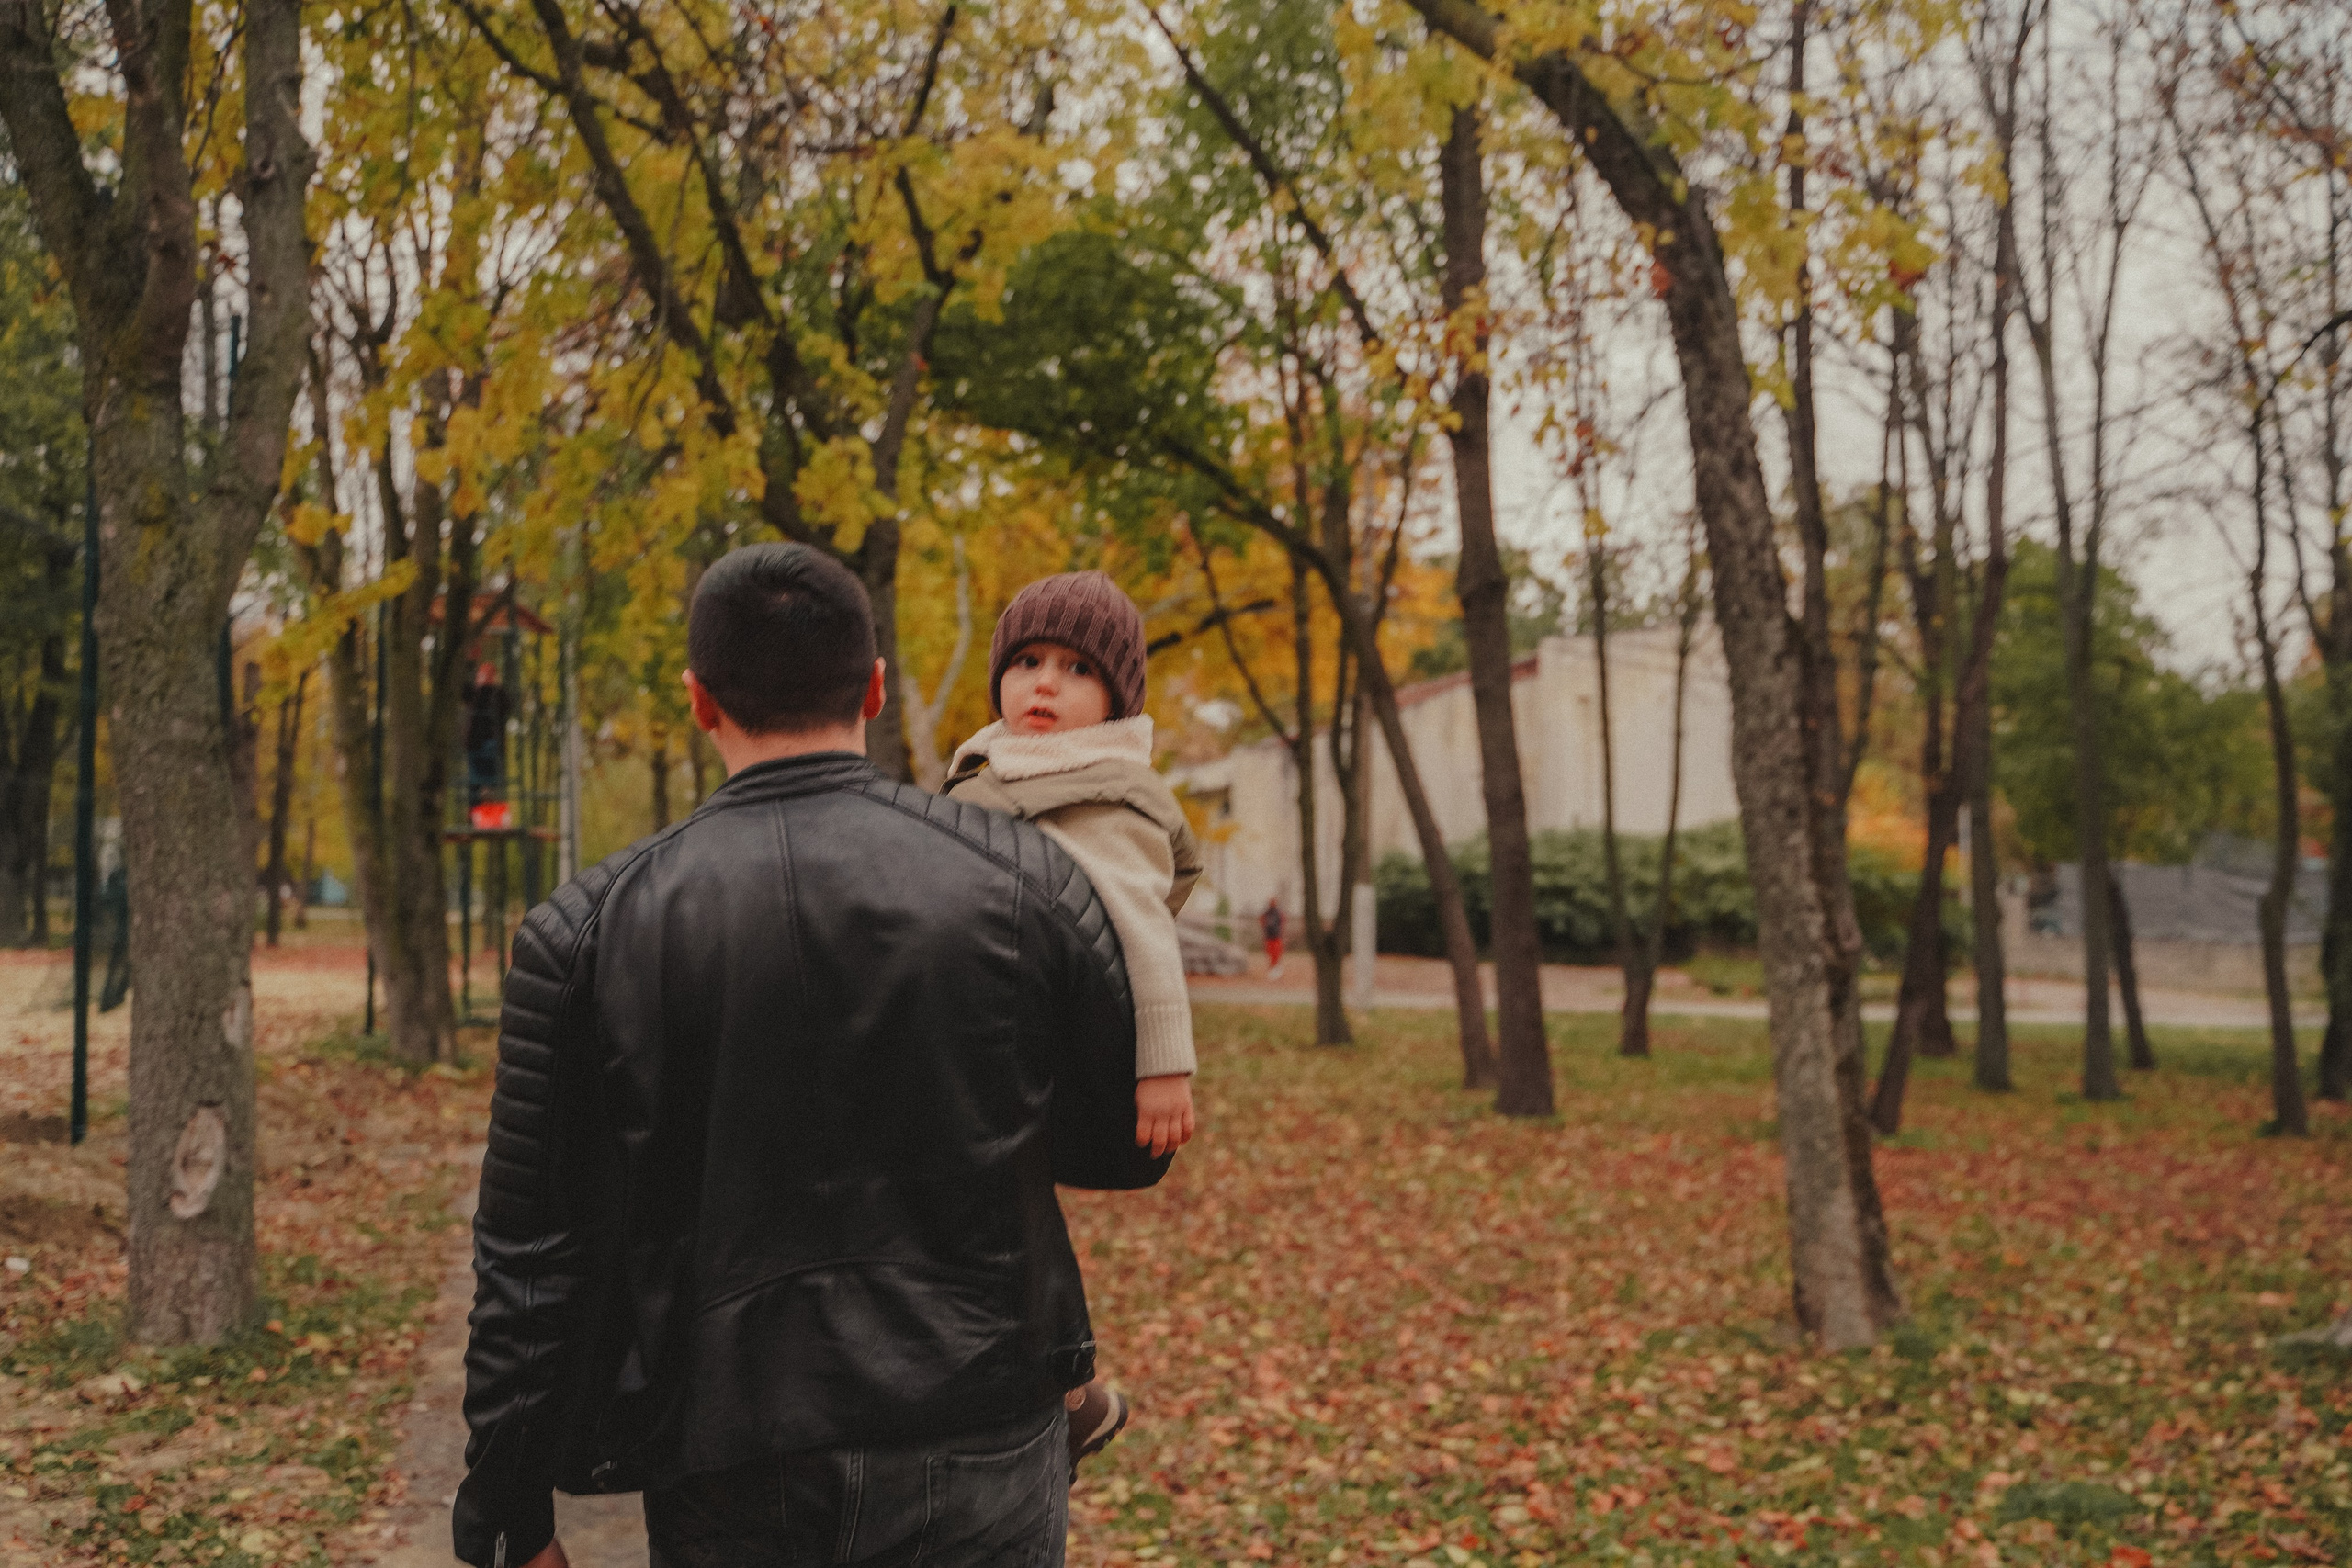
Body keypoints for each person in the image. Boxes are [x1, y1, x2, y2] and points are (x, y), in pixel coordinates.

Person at [451, 544, 1169, 1568]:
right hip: (985, 1433)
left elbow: (529, 1251)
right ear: (874, 687)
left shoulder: (586, 930)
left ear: (700, 702)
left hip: (731, 1457)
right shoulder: (1027, 878)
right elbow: (1130, 1148)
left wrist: (508, 1512)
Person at [942, 570, 1201, 1472]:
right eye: (1024, 661)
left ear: (1115, 696)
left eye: (1075, 669)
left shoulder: (1109, 791)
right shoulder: (989, 766)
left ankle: (1066, 1387)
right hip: (978, 1039)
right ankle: (1063, 1392)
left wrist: (1163, 1064)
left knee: (996, 1208)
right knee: (980, 1209)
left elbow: (1143, 924)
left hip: (1052, 1051)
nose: (1043, 684)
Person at [1261, 897, 1285, 978]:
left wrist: (1281, 932)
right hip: (1269, 936)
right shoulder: (1266, 913)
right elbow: (1261, 920)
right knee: (1270, 953)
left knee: (1276, 953)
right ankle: (1272, 968)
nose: (1272, 904)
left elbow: (1283, 922)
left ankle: (1276, 968)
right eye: (1271, 902)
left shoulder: (1278, 913)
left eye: (1274, 902)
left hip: (1276, 936)